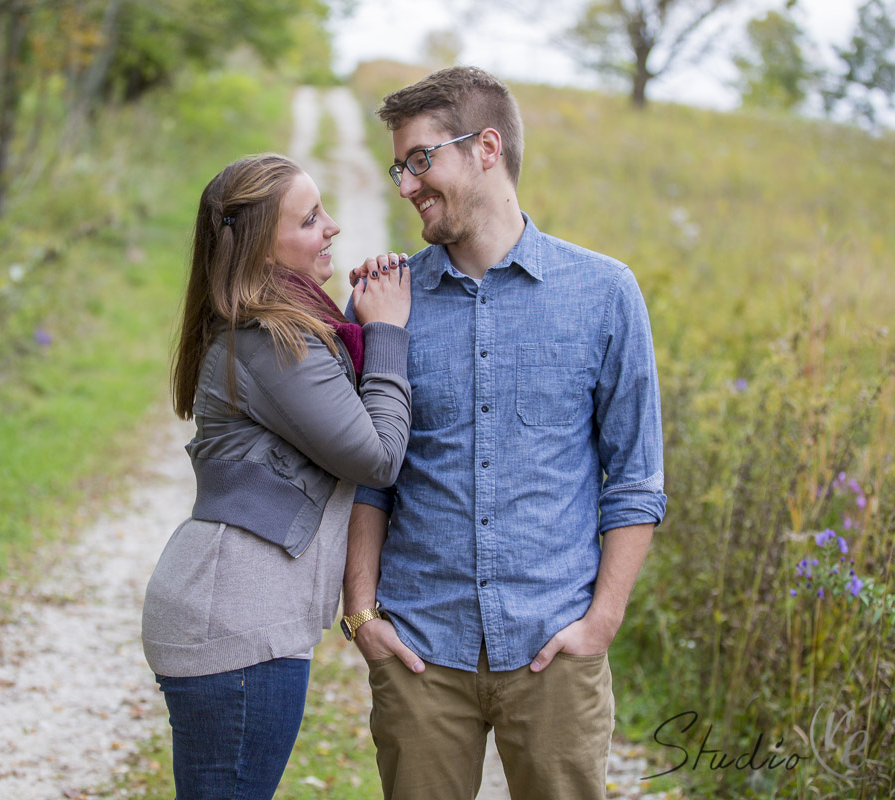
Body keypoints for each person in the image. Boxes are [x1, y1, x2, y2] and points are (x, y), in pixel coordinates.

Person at [340, 66, 668, 800]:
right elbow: (368, 473)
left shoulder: (604, 293)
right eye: (399, 166)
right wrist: (362, 614)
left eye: (421, 159)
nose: (405, 185)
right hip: (421, 651)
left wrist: (600, 627)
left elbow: (637, 479)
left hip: (554, 651)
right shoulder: (387, 303)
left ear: (487, 147)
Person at [141, 153, 413, 799]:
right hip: (238, 625)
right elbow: (376, 457)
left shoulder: (271, 328)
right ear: (265, 248)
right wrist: (389, 336)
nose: (334, 228)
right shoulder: (271, 339)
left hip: (234, 615)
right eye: (311, 218)